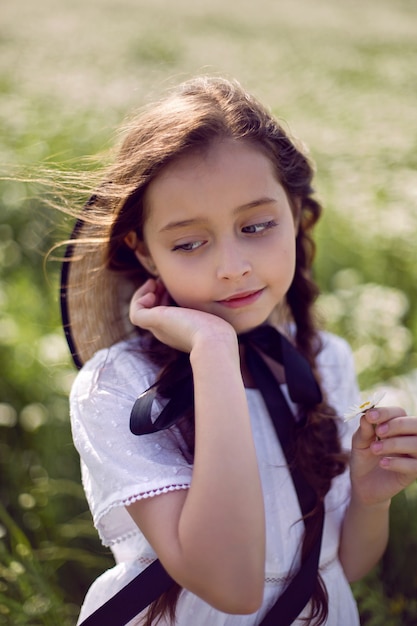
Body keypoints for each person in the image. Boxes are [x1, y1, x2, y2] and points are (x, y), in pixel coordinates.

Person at [62, 76, 417, 626]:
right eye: (188, 243)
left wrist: (371, 499)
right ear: (146, 253)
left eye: (256, 225)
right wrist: (212, 349)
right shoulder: (119, 385)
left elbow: (341, 566)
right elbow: (231, 587)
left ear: (296, 215)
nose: (232, 265)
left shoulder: (326, 361)